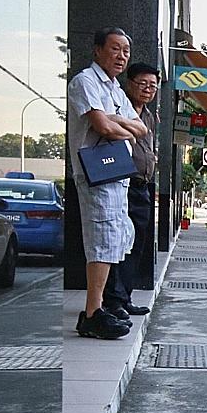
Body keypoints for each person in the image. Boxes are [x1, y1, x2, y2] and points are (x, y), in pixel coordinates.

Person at [67, 27, 148, 339]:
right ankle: (91, 314)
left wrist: (117, 123)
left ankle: (102, 305)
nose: (121, 56)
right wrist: (115, 124)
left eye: (126, 51)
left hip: (116, 174)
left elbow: (139, 128)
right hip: (96, 173)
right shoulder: (85, 81)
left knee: (116, 237)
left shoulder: (114, 89)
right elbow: (102, 126)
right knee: (101, 240)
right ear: (97, 50)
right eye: (115, 49)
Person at [103, 62, 160, 317]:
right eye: (143, 84)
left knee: (135, 244)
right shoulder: (118, 107)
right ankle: (113, 300)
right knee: (117, 243)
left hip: (142, 186)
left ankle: (124, 297)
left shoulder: (149, 115)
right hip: (120, 184)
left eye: (154, 86)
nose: (149, 89)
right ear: (130, 83)